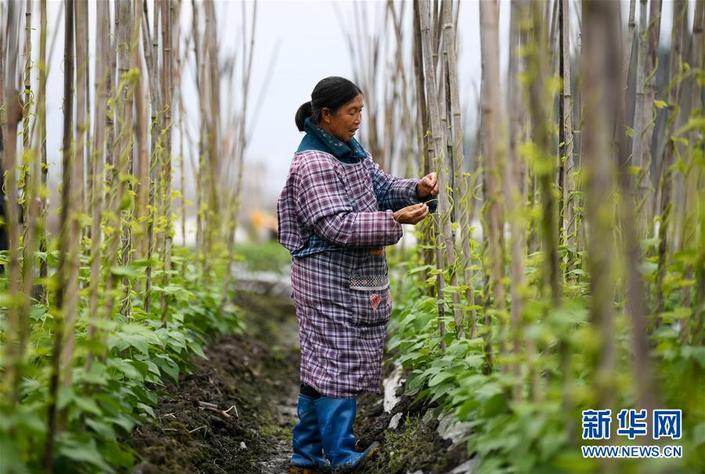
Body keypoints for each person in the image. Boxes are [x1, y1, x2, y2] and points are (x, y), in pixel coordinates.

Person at [277, 76, 438, 474]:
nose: (358, 119)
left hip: (349, 276)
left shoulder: (349, 150)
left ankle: (306, 456)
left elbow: (380, 187)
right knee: (335, 362)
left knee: (323, 362)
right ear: (326, 115)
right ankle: (342, 456)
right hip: (324, 279)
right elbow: (336, 225)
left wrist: (415, 190)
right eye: (352, 112)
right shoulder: (313, 162)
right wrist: (393, 220)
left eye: (361, 111)